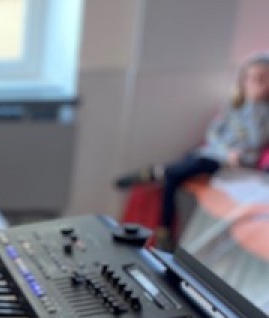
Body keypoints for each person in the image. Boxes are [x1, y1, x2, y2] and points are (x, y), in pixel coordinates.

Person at [114, 53, 269, 247]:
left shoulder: (263, 112)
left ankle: (156, 182)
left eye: (262, 79)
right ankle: (164, 231)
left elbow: (256, 140)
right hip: (213, 153)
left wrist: (254, 104)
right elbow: (213, 133)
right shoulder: (233, 105)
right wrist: (224, 151)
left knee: (173, 174)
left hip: (230, 163)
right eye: (251, 78)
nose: (255, 83)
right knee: (174, 176)